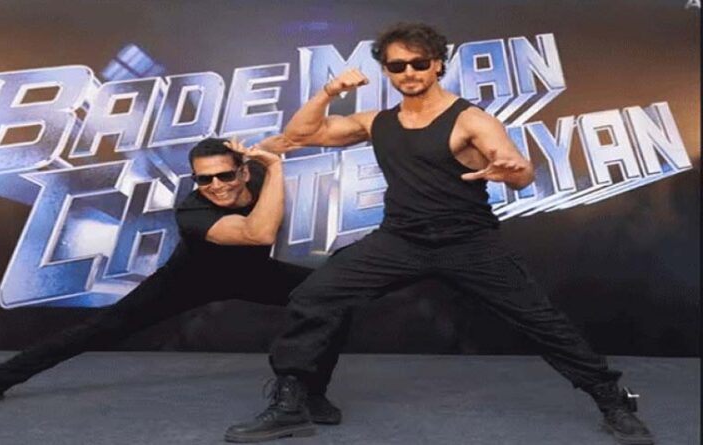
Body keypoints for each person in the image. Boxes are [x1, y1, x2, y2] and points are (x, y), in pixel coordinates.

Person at [224, 23, 654, 445]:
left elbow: (520, 171)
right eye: (397, 66)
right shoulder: (377, 121)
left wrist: (512, 170)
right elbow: (300, 135)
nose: (409, 72)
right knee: (315, 295)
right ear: (387, 71)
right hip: (399, 241)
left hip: (468, 243)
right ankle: (300, 400)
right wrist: (329, 92)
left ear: (437, 65)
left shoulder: (470, 120)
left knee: (541, 321)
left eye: (419, 63)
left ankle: (612, 401)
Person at [0, 138, 350, 426]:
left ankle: (312, 393)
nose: (216, 186)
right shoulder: (193, 211)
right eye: (204, 179)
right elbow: (258, 234)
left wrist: (329, 95)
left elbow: (298, 133)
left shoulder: (258, 175)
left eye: (225, 176)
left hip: (255, 274)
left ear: (243, 170)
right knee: (98, 329)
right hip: (193, 278)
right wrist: (274, 166)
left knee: (333, 299)